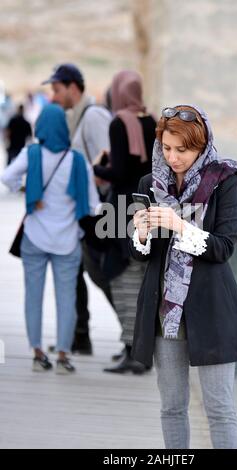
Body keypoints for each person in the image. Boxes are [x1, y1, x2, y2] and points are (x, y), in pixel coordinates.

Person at [130, 105, 237, 448]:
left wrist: (179, 225)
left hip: (211, 309)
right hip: (164, 313)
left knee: (220, 409)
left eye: (182, 150)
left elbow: (224, 247)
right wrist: (139, 234)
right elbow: (142, 256)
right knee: (171, 407)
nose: (173, 157)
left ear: (201, 144)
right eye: (167, 148)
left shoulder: (226, 180)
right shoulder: (149, 184)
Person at [1, 104, 99, 374]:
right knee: (66, 299)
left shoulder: (31, 154)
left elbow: (7, 177)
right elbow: (92, 206)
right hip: (67, 241)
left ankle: (37, 353)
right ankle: (64, 356)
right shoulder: (77, 160)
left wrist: (28, 189)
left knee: (33, 296)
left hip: (34, 237)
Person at [42, 63, 112, 355]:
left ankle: (136, 337)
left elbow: (109, 159)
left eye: (57, 90)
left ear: (73, 87)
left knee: (102, 273)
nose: (54, 97)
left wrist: (86, 178)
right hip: (84, 211)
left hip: (97, 211)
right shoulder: (78, 117)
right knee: (77, 271)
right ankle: (79, 335)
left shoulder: (93, 116)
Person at [93, 70, 156, 374]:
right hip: (145, 206)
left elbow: (119, 173)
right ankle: (136, 348)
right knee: (141, 279)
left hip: (120, 210)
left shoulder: (120, 123)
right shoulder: (153, 121)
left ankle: (132, 349)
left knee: (121, 277)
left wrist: (99, 167)